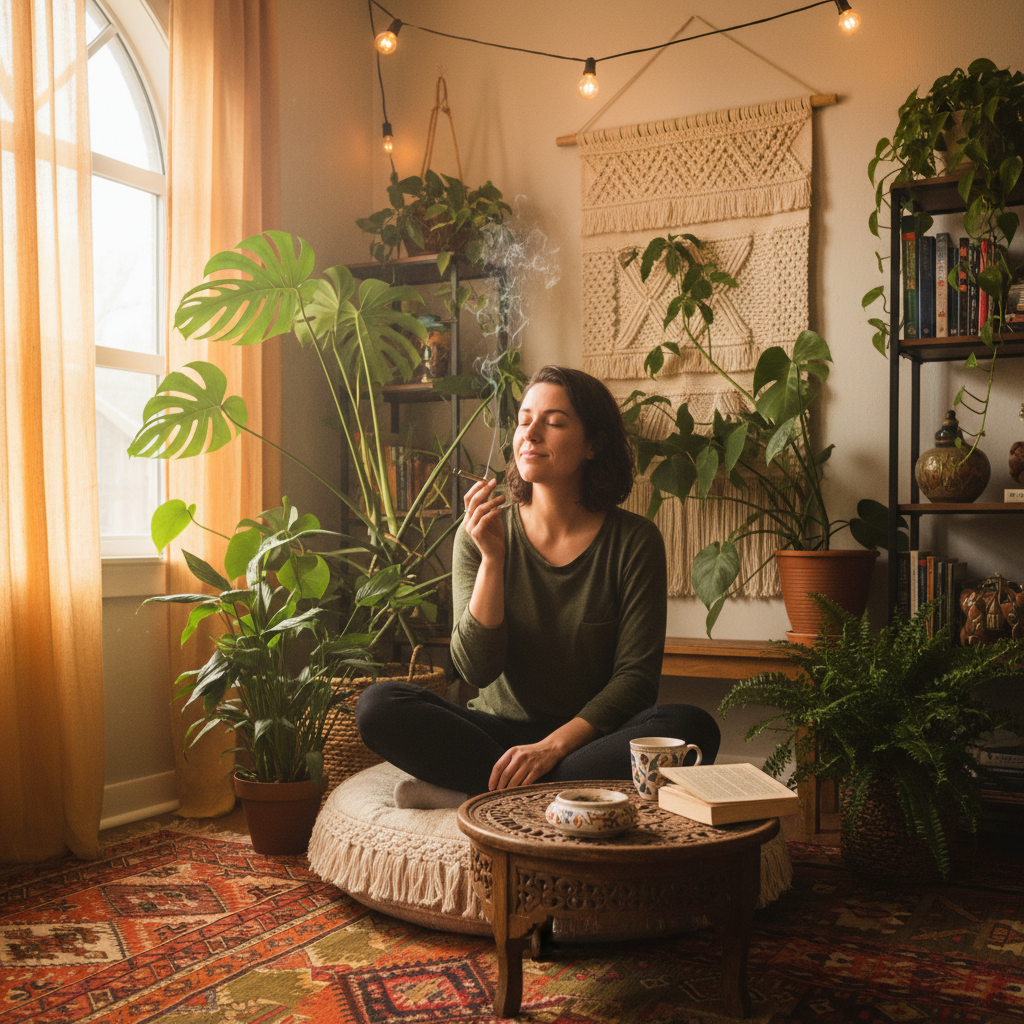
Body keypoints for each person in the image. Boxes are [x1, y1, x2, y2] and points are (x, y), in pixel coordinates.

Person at [356, 365, 720, 807]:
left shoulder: (635, 541)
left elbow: (636, 681)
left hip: (587, 736)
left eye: (554, 422)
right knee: (378, 705)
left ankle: (482, 791)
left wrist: (552, 748)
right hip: (496, 732)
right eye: (525, 420)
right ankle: (561, 791)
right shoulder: (479, 534)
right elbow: (474, 669)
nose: (530, 433)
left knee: (692, 726)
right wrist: (493, 558)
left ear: (593, 445)